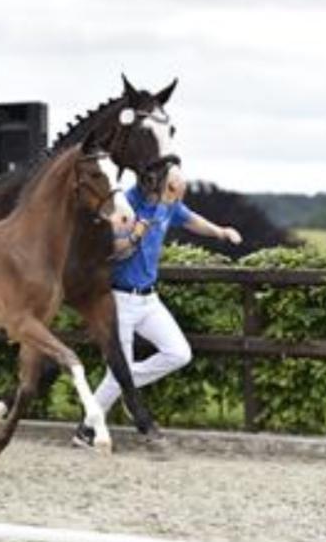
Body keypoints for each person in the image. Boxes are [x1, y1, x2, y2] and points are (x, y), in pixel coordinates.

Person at [72, 163, 242, 448]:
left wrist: (220, 232)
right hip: (120, 300)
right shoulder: (125, 204)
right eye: (174, 192)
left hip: (149, 300)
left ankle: (126, 384)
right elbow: (114, 252)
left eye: (180, 194)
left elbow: (190, 219)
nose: (176, 199)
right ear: (159, 186)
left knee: (179, 353)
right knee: (118, 373)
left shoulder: (169, 205)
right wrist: (136, 234)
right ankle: (86, 431)